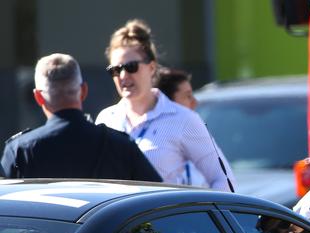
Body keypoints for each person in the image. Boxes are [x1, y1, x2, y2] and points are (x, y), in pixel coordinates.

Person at [96, 19, 235, 191]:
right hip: (119, 217)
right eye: (115, 70)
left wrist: (194, 216)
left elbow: (224, 180)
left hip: (162, 216)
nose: (123, 75)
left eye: (131, 67)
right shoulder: (106, 119)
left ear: (152, 68)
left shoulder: (183, 119)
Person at [1, 53, 161, 182]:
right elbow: (155, 200)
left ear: (38, 97)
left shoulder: (20, 151)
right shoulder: (121, 146)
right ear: (83, 91)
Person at [153, 67, 207, 187]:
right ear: (167, 102)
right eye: (188, 96)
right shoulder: (156, 151)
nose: (195, 102)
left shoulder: (199, 142)